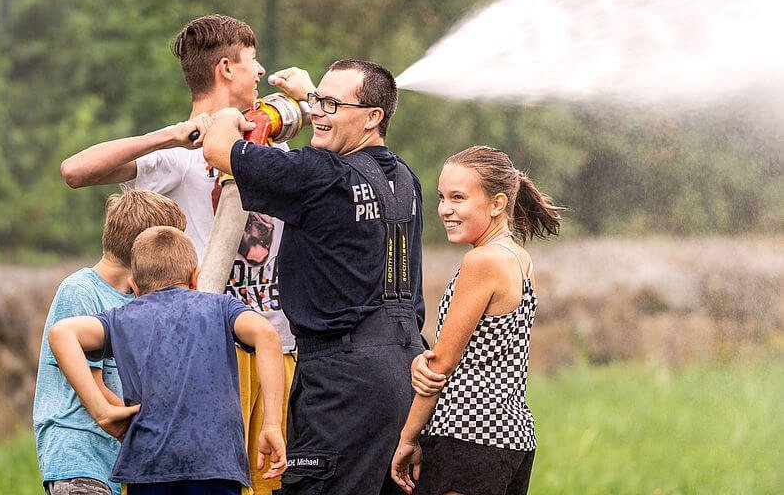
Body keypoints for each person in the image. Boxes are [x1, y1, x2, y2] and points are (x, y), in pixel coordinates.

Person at [59, 14, 296, 495]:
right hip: (208, 352)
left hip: (277, 344)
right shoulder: (177, 157)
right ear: (225, 68)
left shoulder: (274, 155)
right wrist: (172, 135)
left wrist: (310, 104)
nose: (260, 71)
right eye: (252, 62)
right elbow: (75, 171)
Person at [202, 59, 426, 494]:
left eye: (329, 104)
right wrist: (318, 99)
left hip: (343, 380)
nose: (315, 112)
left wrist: (229, 118)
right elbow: (339, 135)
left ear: (373, 117)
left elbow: (217, 148)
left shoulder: (317, 174)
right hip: (405, 370)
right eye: (316, 101)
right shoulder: (404, 178)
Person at [48, 225, 287, 495]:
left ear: (134, 287)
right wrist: (270, 424)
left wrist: (102, 412)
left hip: (148, 467)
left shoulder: (122, 318)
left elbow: (61, 333)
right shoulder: (220, 307)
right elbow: (267, 335)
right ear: (195, 278)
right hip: (215, 465)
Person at [390, 146, 565, 495]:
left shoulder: (482, 262)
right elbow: (484, 352)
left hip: (468, 436)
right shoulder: (519, 258)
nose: (445, 210)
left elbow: (443, 364)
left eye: (458, 198)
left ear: (498, 204)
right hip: (512, 438)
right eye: (441, 197)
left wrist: (407, 437)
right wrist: (418, 361)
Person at [33, 190, 188, 495]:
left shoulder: (136, 299)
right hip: (79, 455)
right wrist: (155, 426)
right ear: (144, 251)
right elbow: (97, 386)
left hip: (115, 460)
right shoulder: (80, 291)